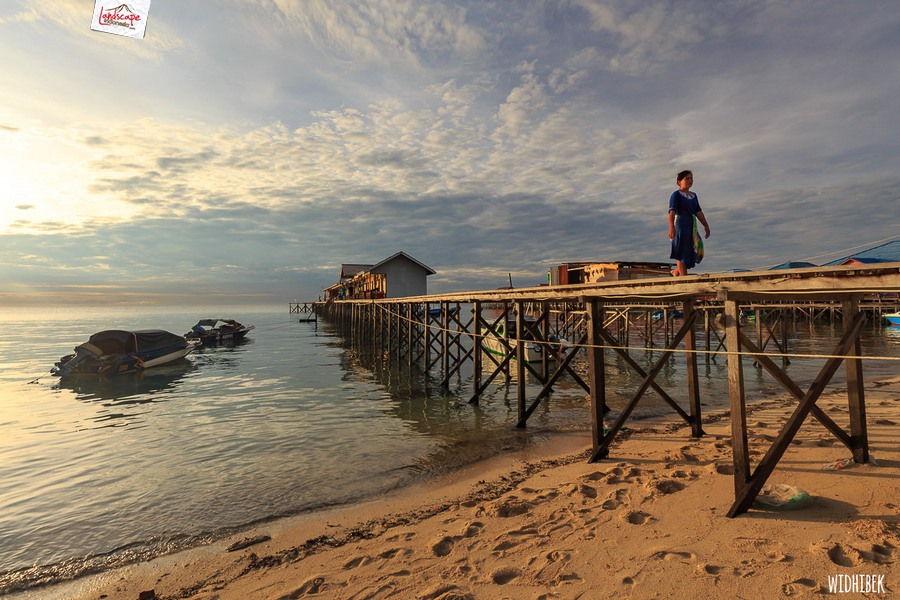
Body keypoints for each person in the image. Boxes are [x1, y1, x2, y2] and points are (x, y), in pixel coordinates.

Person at [667, 169, 710, 276]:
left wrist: (706, 225)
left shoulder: (693, 195)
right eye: (687, 178)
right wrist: (671, 227)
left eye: (691, 179)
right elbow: (672, 211)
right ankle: (683, 279)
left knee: (692, 248)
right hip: (681, 224)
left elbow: (698, 211)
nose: (690, 180)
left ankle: (676, 271)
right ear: (679, 181)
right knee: (682, 249)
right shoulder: (676, 194)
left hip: (691, 224)